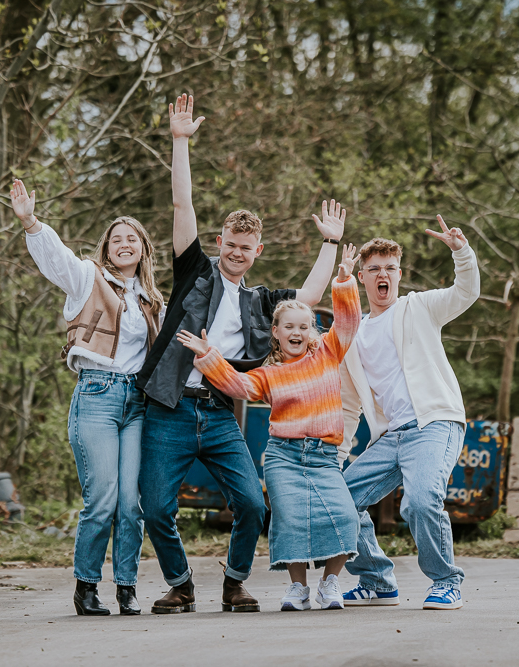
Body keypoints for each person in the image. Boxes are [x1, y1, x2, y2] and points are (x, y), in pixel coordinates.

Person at [136, 93, 346, 614]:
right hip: (171, 407)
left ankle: (234, 583)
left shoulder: (261, 302)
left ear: (257, 252)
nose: (235, 251)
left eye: (245, 247)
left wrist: (330, 244)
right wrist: (180, 142)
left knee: (252, 503)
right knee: (157, 508)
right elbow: (182, 206)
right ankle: (181, 584)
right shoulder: (195, 273)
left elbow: (311, 299)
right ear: (220, 240)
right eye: (229, 242)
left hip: (220, 411)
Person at [178, 244, 362, 612]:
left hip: (324, 455)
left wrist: (344, 281)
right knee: (291, 520)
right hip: (283, 455)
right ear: (275, 332)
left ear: (312, 331)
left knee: (344, 515)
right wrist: (208, 354)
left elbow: (347, 323)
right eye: (288, 326)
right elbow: (238, 386)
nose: (297, 332)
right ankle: (298, 589)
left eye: (304, 326)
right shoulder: (268, 373)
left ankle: (330, 583)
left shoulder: (328, 352)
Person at [9, 178, 163, 617]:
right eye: (116, 239)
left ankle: (128, 587)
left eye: (132, 238)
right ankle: (87, 586)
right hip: (96, 395)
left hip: (136, 403)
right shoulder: (87, 279)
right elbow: (56, 258)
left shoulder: (153, 301)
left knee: (131, 505)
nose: (124, 244)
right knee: (103, 499)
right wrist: (31, 222)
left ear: (144, 249)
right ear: (107, 248)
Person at [338, 216, 479, 610]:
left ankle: (446, 582)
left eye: (390, 268)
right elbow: (350, 404)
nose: (383, 275)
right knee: (341, 500)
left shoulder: (419, 307)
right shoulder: (354, 334)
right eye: (374, 269)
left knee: (419, 501)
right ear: (362, 278)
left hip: (434, 424)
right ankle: (377, 580)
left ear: (400, 275)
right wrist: (339, 453)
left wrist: (461, 252)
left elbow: (466, 292)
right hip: (392, 436)